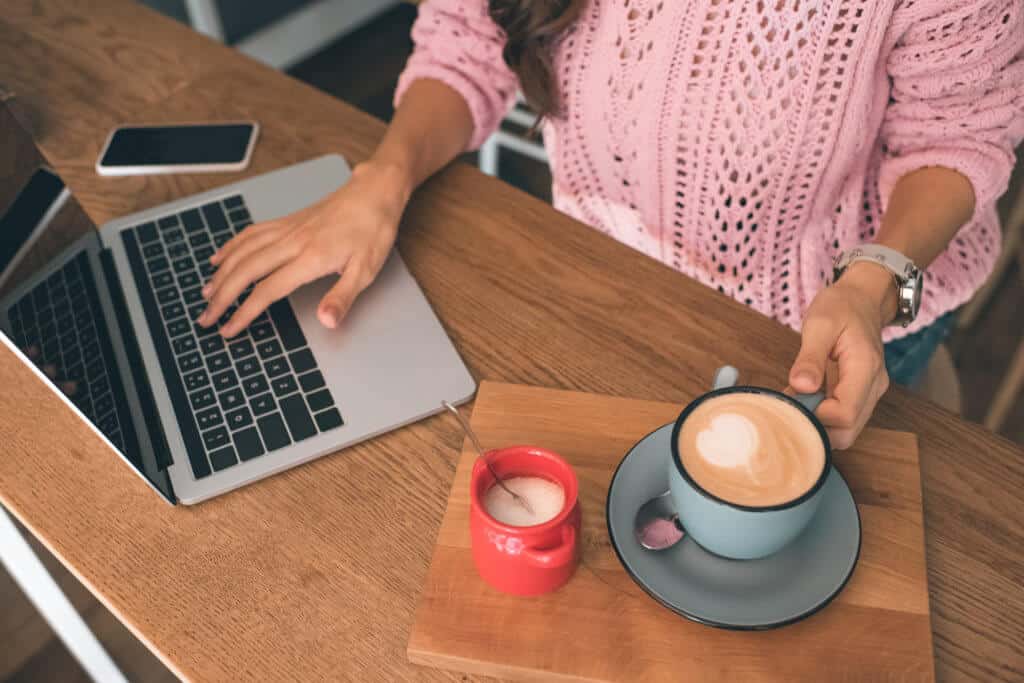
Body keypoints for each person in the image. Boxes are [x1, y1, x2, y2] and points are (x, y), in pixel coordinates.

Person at [199, 1, 1024, 449]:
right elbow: (468, 38)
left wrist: (875, 279)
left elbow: (957, 136)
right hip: (606, 285)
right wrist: (385, 176)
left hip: (831, 318)